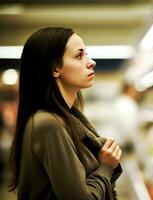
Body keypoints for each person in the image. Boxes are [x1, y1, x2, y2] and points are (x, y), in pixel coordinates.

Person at [8, 27, 123, 200]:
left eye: (87, 54)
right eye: (79, 56)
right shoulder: (50, 124)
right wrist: (106, 166)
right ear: (55, 69)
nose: (91, 62)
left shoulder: (65, 118)